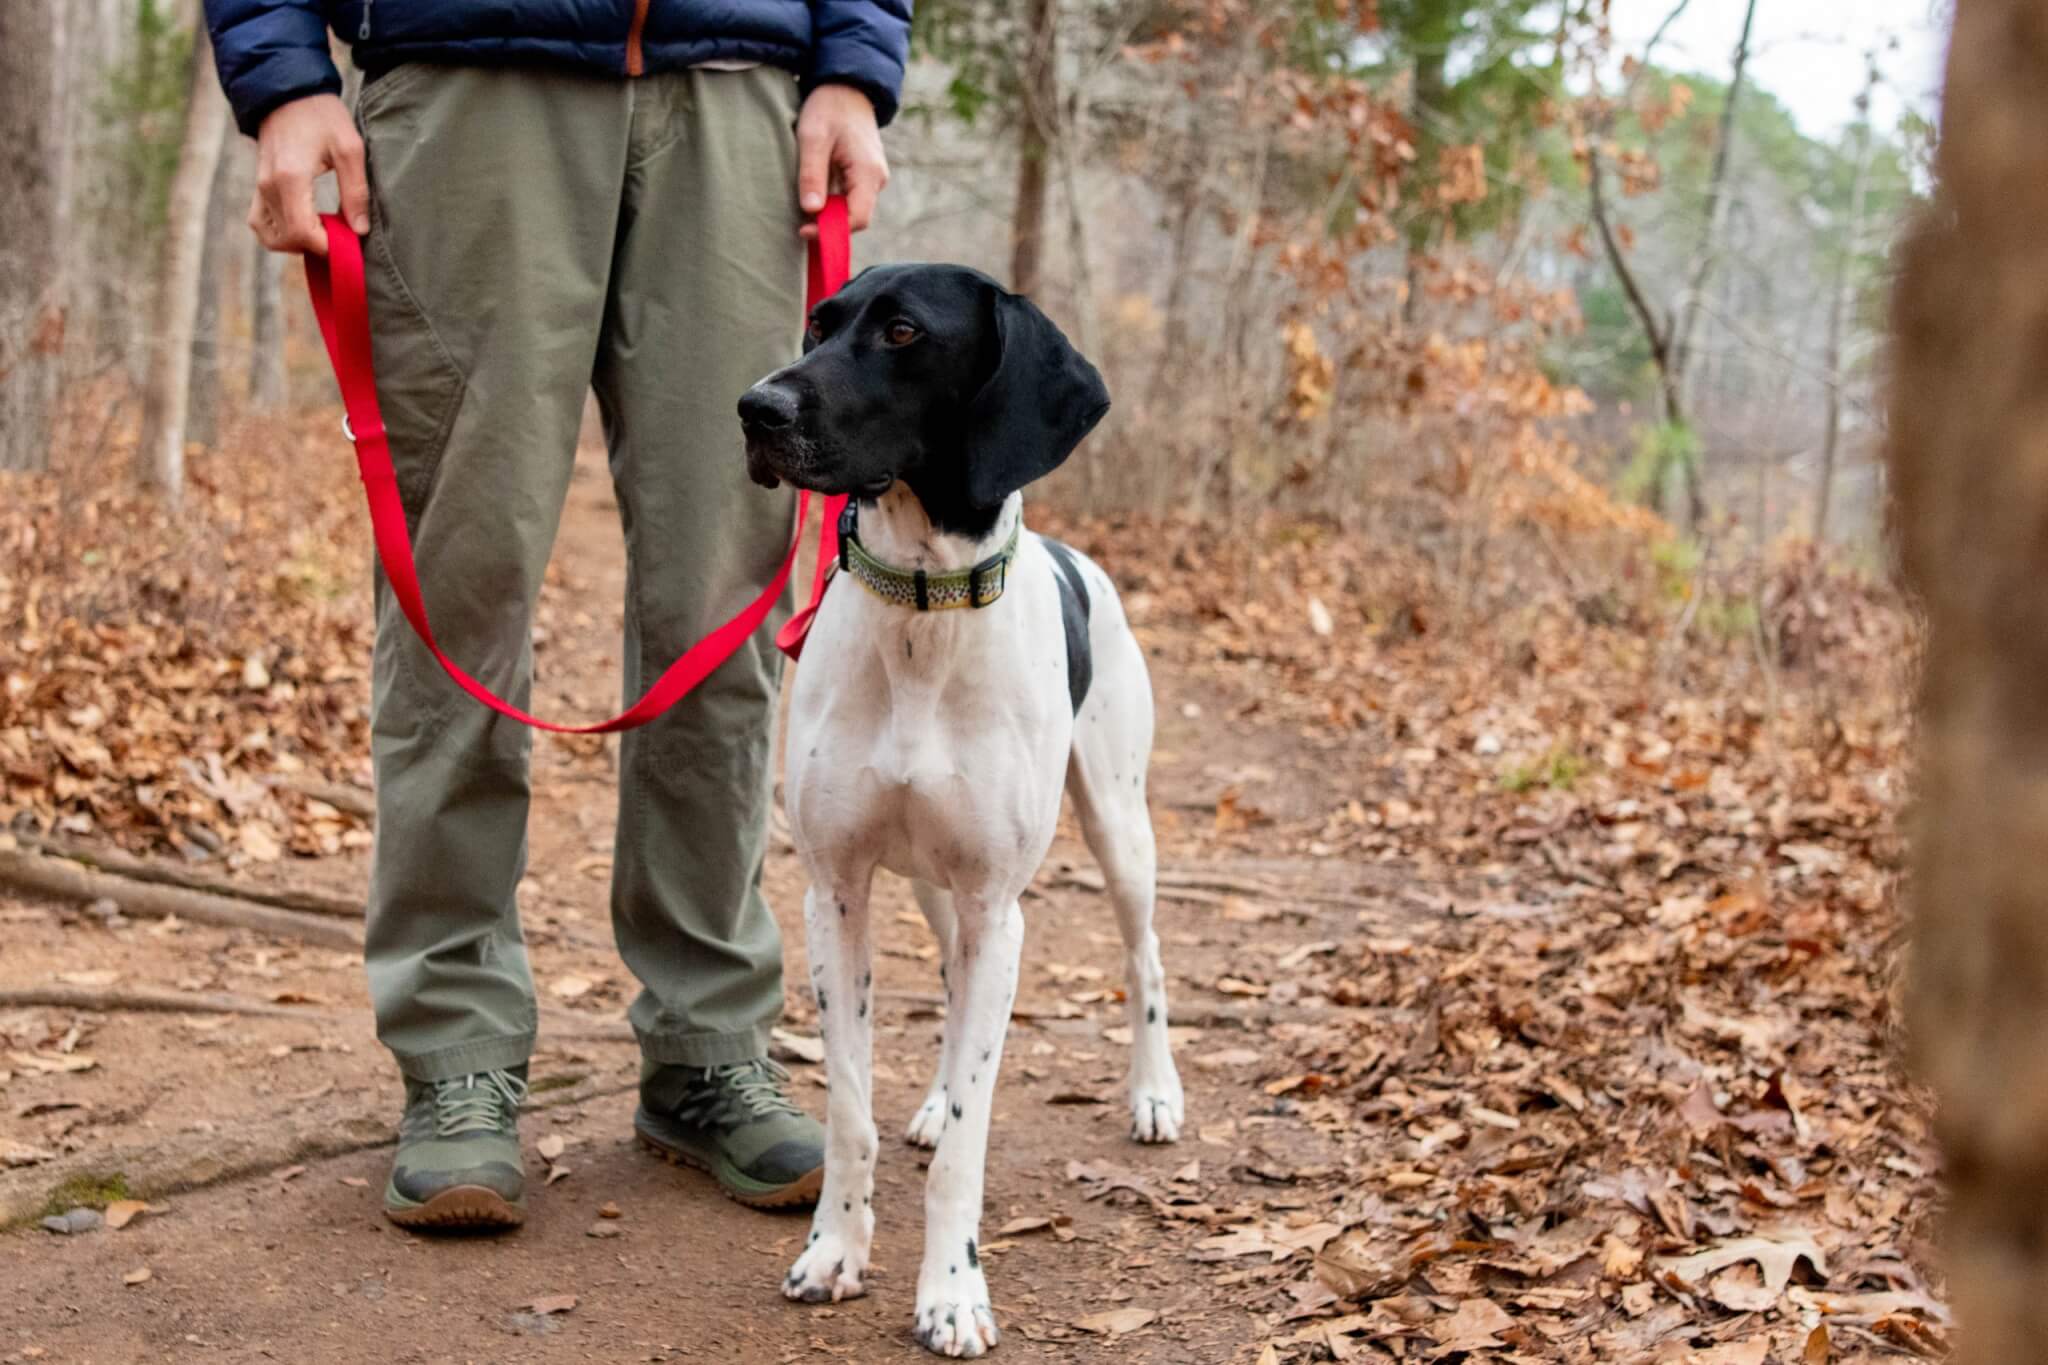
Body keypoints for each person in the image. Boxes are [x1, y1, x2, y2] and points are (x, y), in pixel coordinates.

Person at [201, 0, 907, 1229]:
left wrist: (855, 61)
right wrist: (281, 75)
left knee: (719, 597)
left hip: (736, 92)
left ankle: (705, 1043)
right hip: (468, 74)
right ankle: (455, 1055)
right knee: (457, 588)